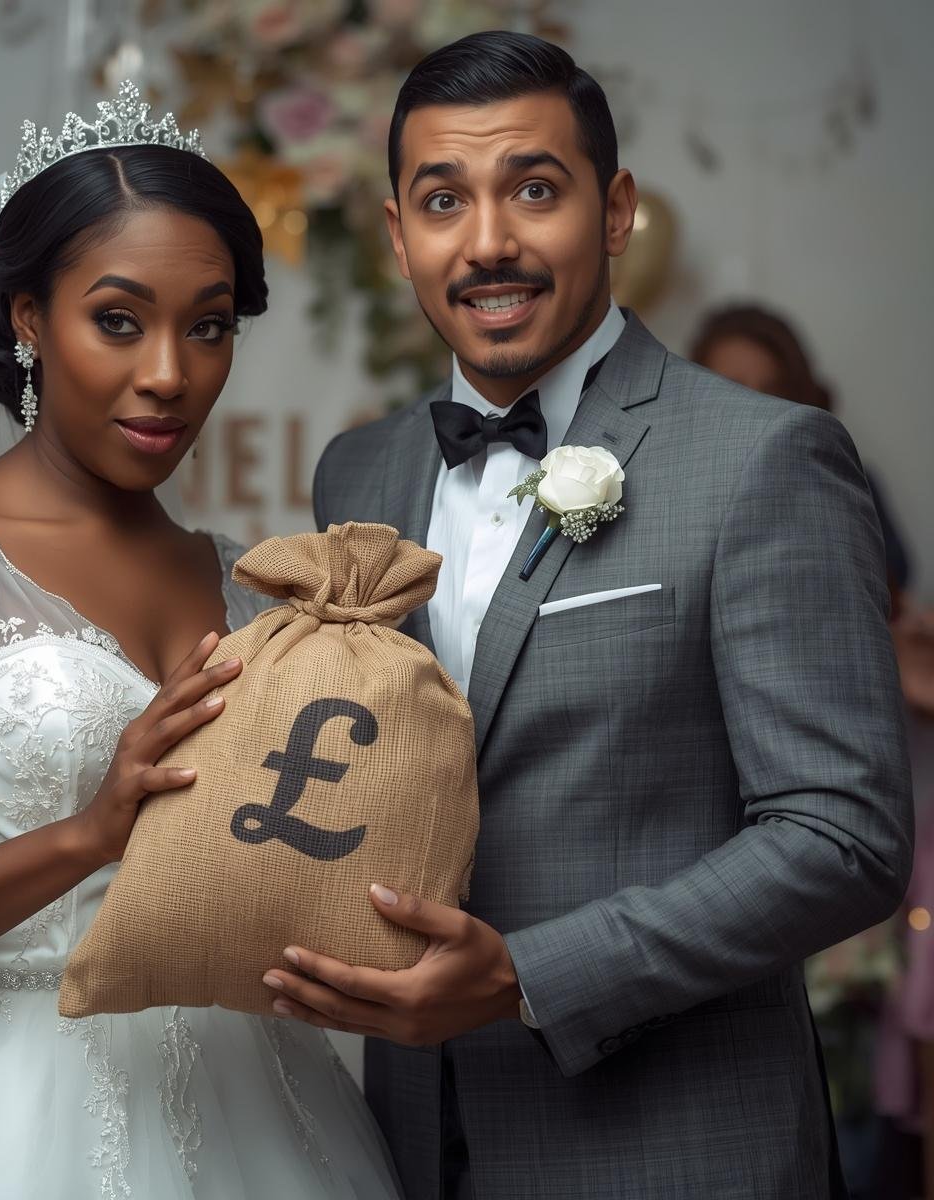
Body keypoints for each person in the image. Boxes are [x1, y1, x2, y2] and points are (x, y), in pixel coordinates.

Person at [259, 32, 913, 1199]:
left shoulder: (763, 458)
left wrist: (530, 976)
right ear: (399, 235)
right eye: (444, 201)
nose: (488, 242)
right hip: (410, 1147)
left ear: (613, 212)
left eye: (534, 190)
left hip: (679, 1154)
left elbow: (844, 837)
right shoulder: (358, 473)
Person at [0, 84, 400, 1198]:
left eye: (209, 325)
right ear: (28, 318)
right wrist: (86, 835)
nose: (169, 374)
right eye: (119, 320)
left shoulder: (244, 580)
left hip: (256, 1108)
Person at [690, 302, 913, 616]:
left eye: (772, 390)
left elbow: (893, 590)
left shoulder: (848, 485)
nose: (756, 408)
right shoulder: (678, 504)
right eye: (734, 391)